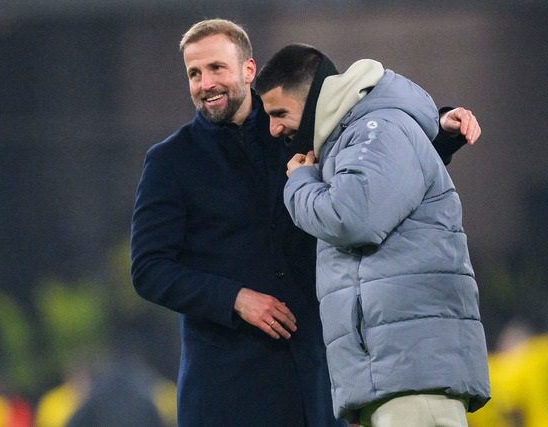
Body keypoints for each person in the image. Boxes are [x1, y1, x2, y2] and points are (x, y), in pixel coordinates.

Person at [131, 19, 481, 427]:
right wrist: (234, 299)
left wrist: (440, 132)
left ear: (248, 70)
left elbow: (373, 151)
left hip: (318, 375)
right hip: (228, 386)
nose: (205, 83)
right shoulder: (170, 161)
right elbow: (149, 269)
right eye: (194, 73)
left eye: (216, 69)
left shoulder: (296, 129)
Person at [254, 43, 490, 426]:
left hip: (413, 376)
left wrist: (299, 184)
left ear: (314, 100)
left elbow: (351, 219)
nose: (274, 129)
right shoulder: (358, 135)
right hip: (395, 375)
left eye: (280, 113)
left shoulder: (376, 129)